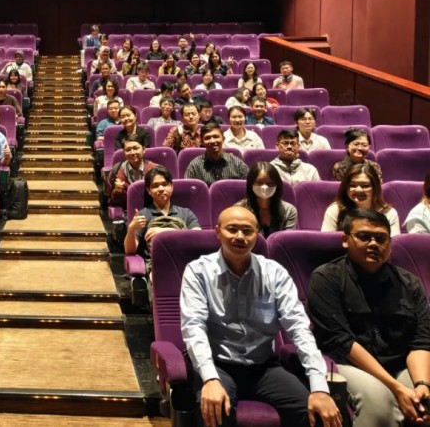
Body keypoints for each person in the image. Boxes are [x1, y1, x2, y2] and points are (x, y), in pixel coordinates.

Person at [181, 206, 342, 427]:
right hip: (218, 364)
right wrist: (209, 378)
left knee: (316, 413)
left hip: (264, 367)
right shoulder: (198, 271)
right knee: (215, 411)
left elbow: (298, 328)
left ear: (257, 235)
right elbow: (194, 327)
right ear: (217, 231)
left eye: (247, 231)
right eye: (232, 229)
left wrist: (319, 387)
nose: (240, 236)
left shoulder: (274, 273)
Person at [308, 208, 430, 427]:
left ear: (390, 244)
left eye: (381, 238)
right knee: (380, 406)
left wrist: (422, 384)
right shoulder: (326, 278)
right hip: (347, 363)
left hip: (399, 363)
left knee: (424, 401)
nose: (374, 244)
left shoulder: (409, 283)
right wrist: (396, 388)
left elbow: (421, 340)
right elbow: (342, 343)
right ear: (346, 240)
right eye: (364, 236)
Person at [124, 167, 201, 261]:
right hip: (157, 265)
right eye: (155, 186)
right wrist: (131, 229)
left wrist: (163, 232)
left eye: (164, 184)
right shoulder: (142, 215)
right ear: (149, 191)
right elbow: (130, 251)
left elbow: (198, 239)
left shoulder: (186, 213)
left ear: (171, 187)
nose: (161, 189)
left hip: (186, 262)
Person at [321, 163, 400, 234]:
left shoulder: (389, 213)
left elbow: (394, 244)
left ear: (375, 188)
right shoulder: (335, 211)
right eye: (352, 185)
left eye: (365, 186)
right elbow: (326, 242)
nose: (358, 190)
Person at [235, 162, 298, 237]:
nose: (265, 187)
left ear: (277, 185)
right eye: (259, 182)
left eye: (270, 183)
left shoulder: (289, 210)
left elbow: (287, 240)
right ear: (251, 184)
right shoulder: (239, 210)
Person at [106, 135, 162, 209]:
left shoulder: (156, 170)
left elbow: (163, 197)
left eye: (136, 148)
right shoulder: (116, 171)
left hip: (152, 211)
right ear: (123, 152)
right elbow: (111, 202)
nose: (132, 152)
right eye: (128, 150)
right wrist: (118, 191)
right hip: (127, 212)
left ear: (144, 149)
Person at [184, 123, 249, 186]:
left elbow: (250, 188)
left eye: (216, 137)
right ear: (202, 142)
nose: (212, 141)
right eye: (207, 138)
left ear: (223, 139)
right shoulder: (194, 166)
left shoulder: (238, 164)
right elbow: (187, 190)